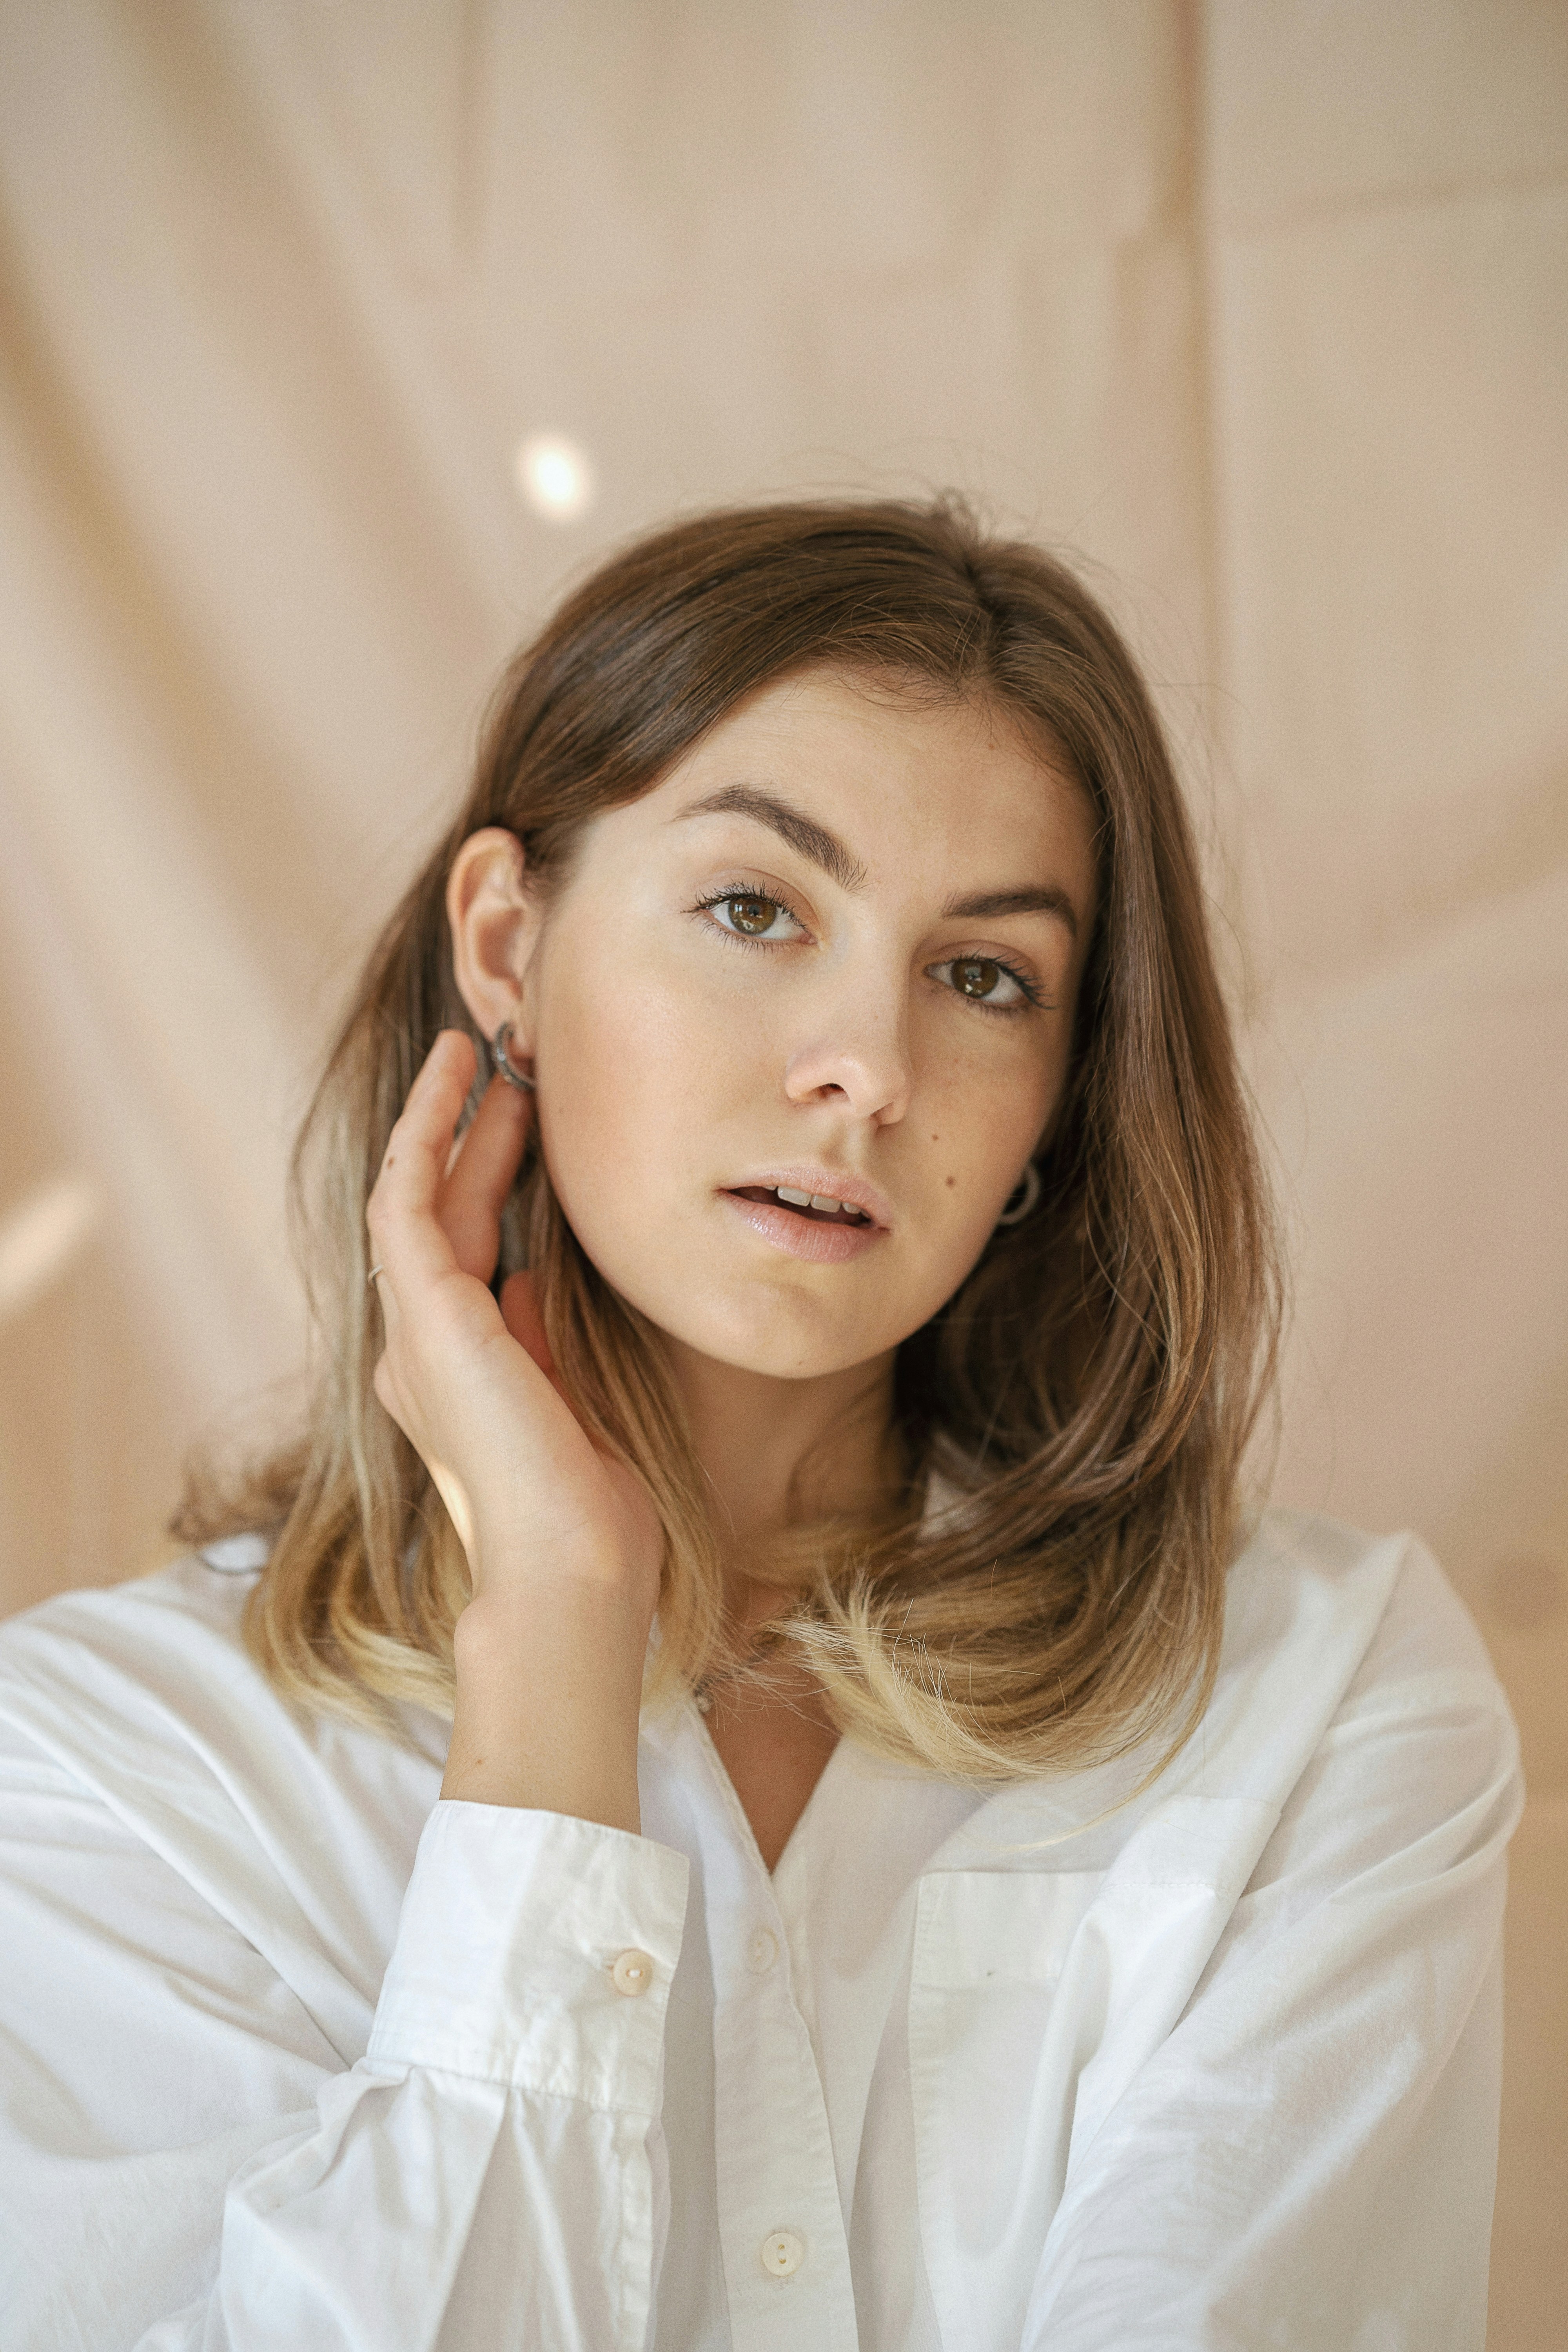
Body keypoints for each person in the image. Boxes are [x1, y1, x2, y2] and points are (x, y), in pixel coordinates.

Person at [0, 499, 1519, 2352]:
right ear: (505, 946)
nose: (867, 1070)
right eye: (752, 908)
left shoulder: (1324, 1701)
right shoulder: (113, 1782)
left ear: (1061, 1094)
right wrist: (556, 1629)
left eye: (984, 977)